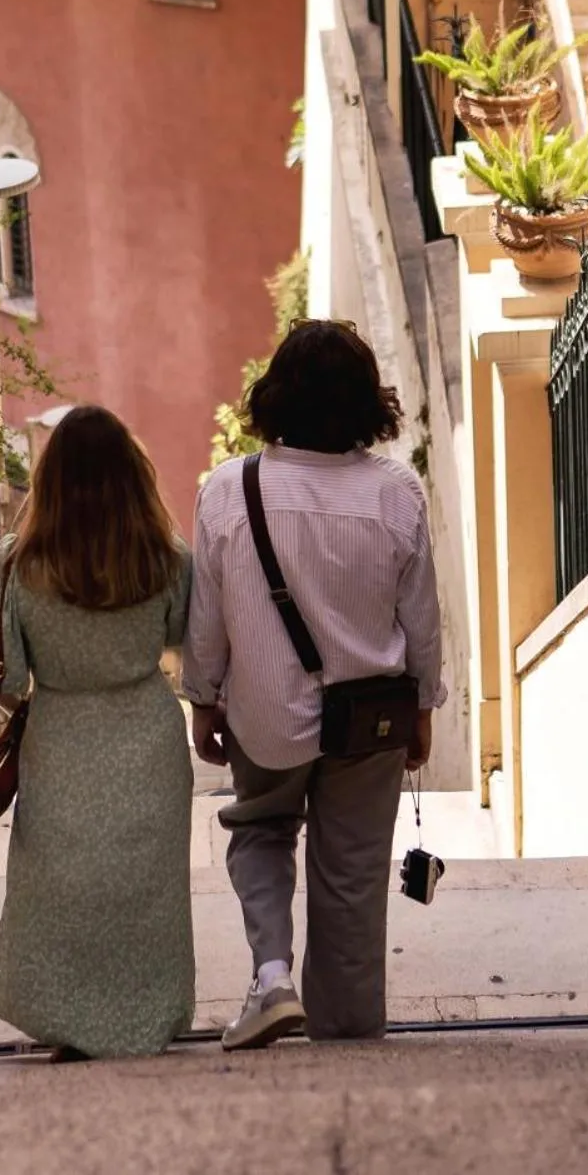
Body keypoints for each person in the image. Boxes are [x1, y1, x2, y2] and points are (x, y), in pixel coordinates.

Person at [182, 320, 444, 1050]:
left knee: (261, 829)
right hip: (370, 718)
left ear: (275, 396)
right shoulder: (397, 494)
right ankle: (349, 1026)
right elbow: (422, 618)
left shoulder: (230, 489)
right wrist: (424, 705)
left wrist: (202, 697)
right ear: (368, 401)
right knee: (354, 871)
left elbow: (207, 614)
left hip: (264, 712)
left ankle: (271, 978)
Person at [0, 405, 194, 1060]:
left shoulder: (19, 562)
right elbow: (189, 642)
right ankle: (144, 1019)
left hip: (61, 741)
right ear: (133, 474)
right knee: (144, 891)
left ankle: (71, 1020)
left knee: (64, 886)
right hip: (148, 737)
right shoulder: (166, 558)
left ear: (52, 477)